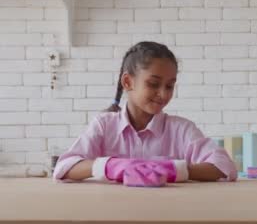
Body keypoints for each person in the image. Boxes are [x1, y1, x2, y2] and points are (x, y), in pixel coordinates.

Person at [53, 41, 237, 186]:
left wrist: (175, 170)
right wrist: (109, 166)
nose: (163, 94)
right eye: (153, 84)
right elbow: (64, 168)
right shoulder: (104, 125)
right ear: (127, 82)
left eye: (169, 86)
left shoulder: (181, 129)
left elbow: (224, 166)